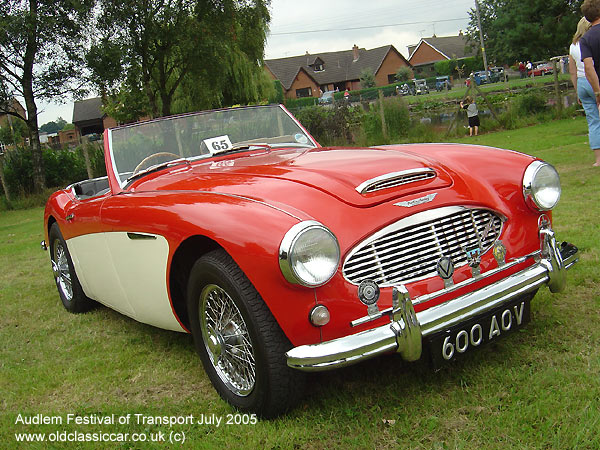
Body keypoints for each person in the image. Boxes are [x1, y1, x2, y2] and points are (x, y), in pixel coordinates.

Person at [570, 17, 600, 167]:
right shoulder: (591, 41)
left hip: (581, 83)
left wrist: (577, 91)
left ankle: (598, 159)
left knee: (593, 122)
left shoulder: (573, 46)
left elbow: (572, 72)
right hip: (593, 80)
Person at [580, 0, 600, 166]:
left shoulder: (586, 39)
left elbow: (588, 67)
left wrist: (597, 91)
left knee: (595, 121)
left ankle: (598, 159)